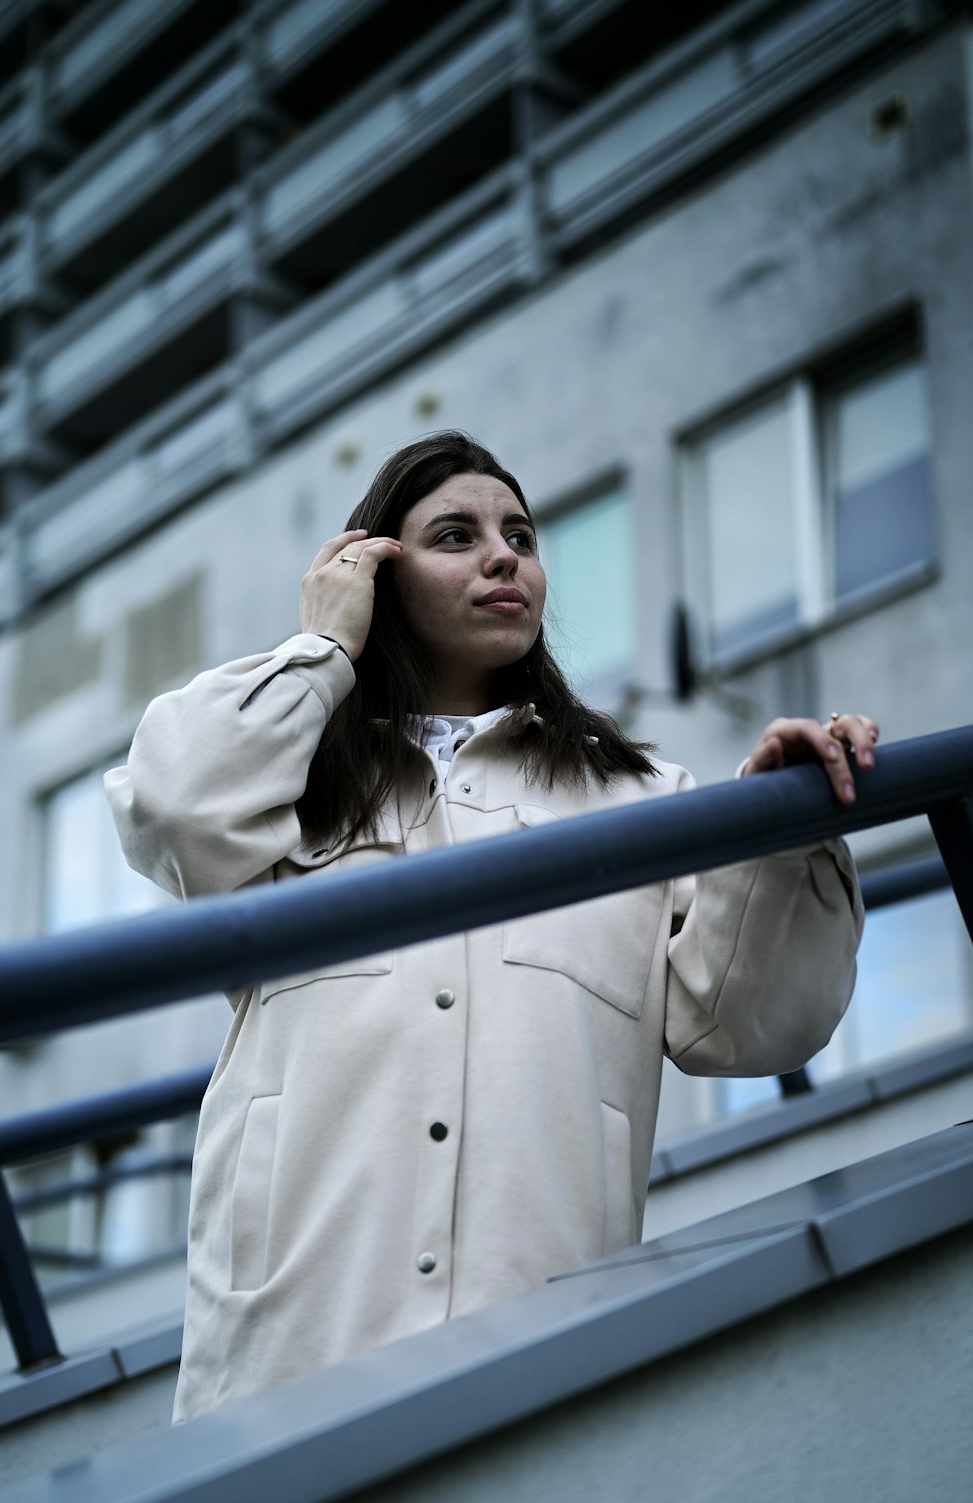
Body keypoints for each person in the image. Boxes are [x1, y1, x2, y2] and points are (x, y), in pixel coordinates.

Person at [105, 431, 875, 1423]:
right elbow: (175, 807)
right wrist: (325, 647)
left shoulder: (635, 798)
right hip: (297, 1340)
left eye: (518, 534)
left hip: (543, 1325)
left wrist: (781, 829)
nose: (503, 555)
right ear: (375, 572)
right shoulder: (293, 782)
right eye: (455, 536)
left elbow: (755, 1028)